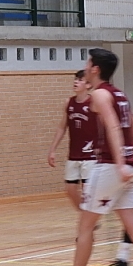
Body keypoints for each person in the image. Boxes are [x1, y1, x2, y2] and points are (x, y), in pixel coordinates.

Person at [47, 48, 133, 266]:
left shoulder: (100, 94)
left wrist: (121, 164)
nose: (85, 67)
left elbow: (113, 127)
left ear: (96, 69)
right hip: (127, 167)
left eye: (88, 63)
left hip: (110, 167)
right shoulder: (119, 94)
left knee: (85, 226)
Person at [47, 70, 98, 210]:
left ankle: (88, 217)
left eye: (80, 80)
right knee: (70, 190)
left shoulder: (94, 103)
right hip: (74, 155)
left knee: (87, 191)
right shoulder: (68, 103)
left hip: (90, 156)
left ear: (88, 85)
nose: (76, 82)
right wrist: (52, 149)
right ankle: (84, 214)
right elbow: (62, 127)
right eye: (75, 79)